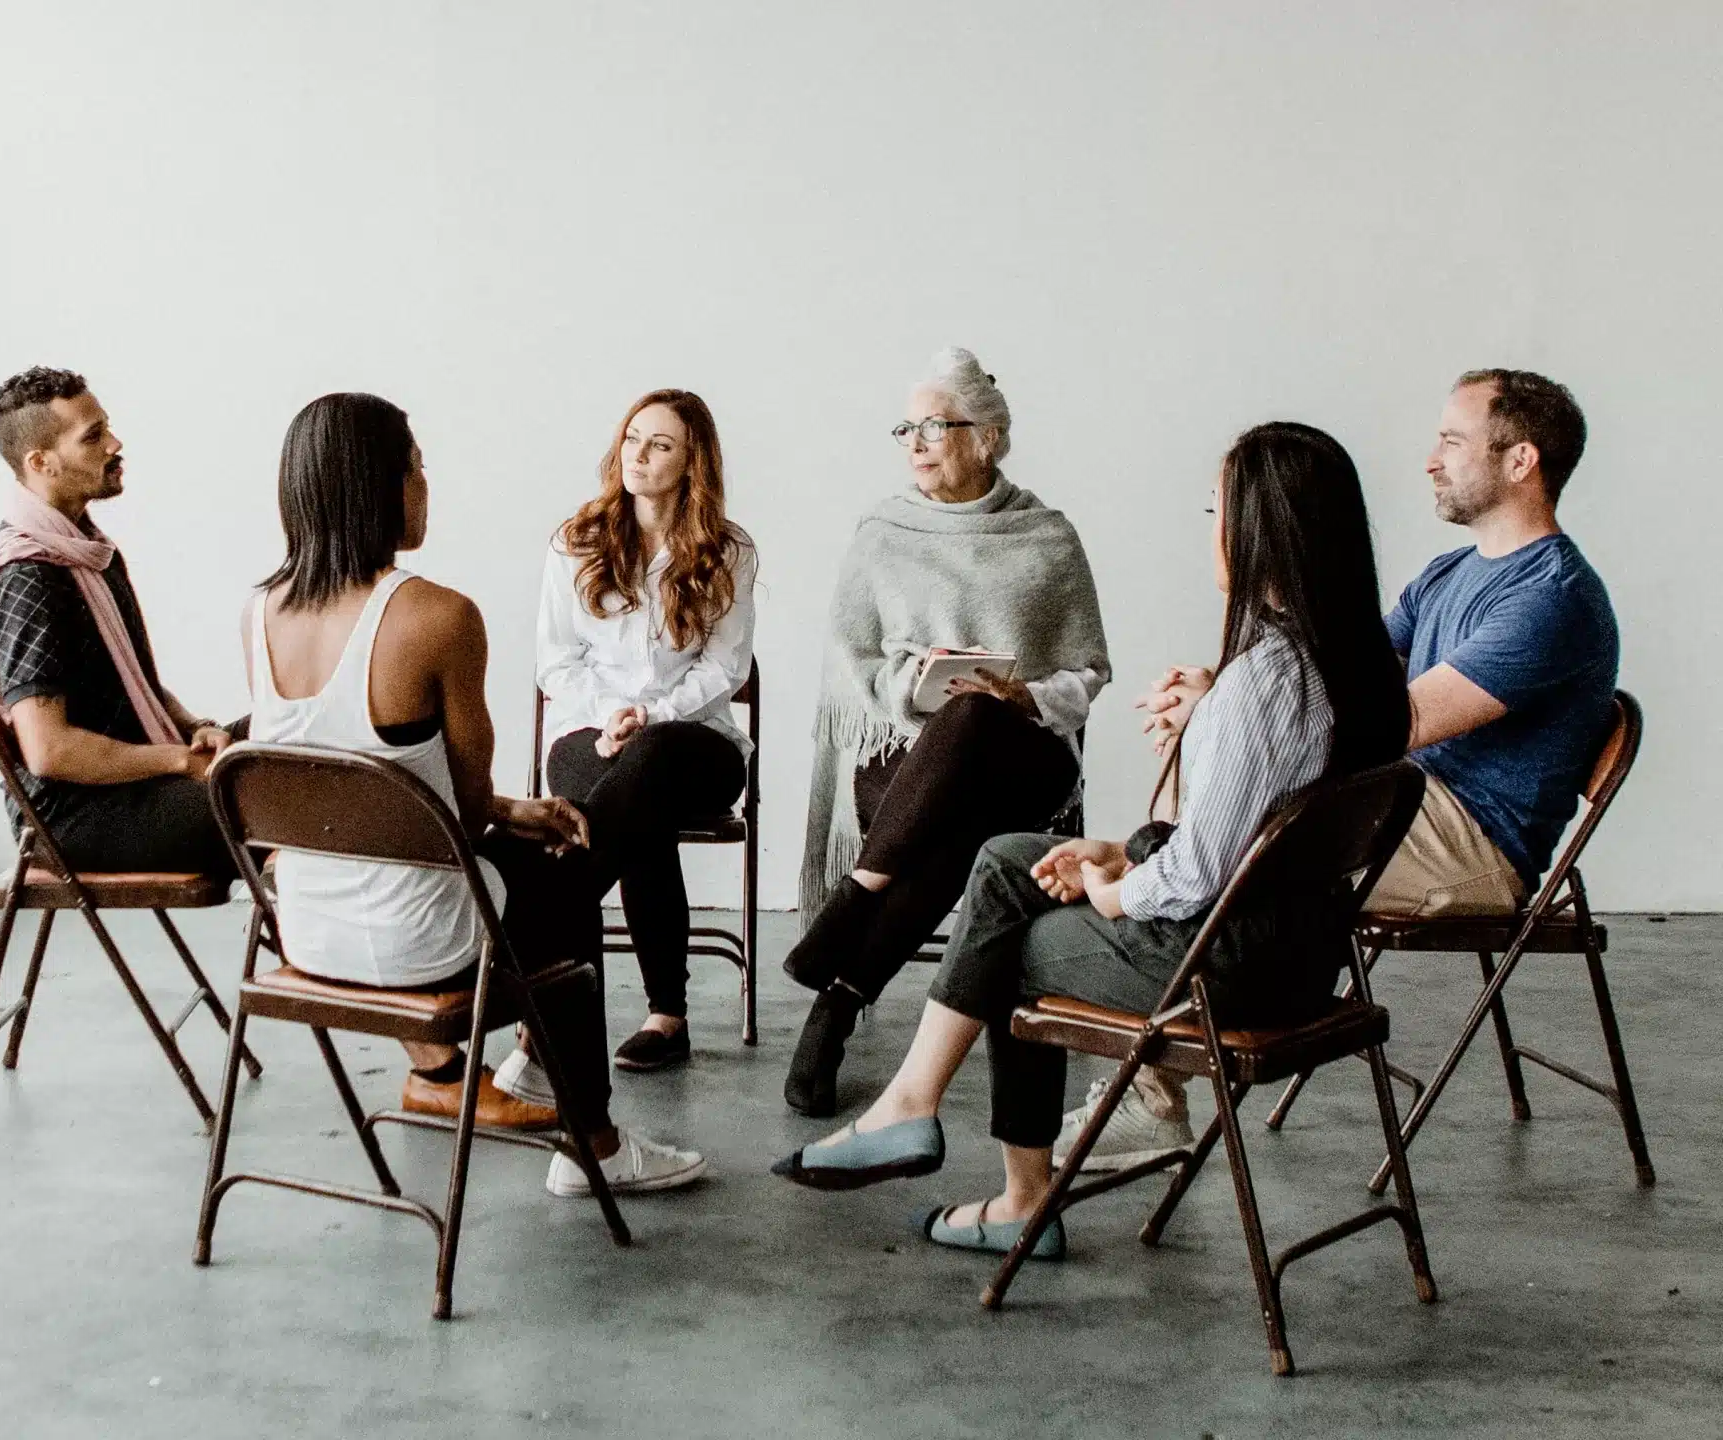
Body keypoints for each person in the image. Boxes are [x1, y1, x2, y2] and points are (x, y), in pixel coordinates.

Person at [771, 421, 1410, 1262]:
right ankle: (913, 1110)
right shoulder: (1352, 668)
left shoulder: (1261, 682)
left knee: (1009, 942)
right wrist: (1120, 850)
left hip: (1228, 969)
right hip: (1296, 951)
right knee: (1006, 858)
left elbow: (1199, 877)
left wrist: (1117, 889)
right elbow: (1245, 841)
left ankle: (1004, 1188)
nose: (1210, 527)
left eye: (1219, 508)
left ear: (1265, 527)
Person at [1073, 369, 1620, 1168]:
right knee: (1209, 820)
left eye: (1452, 442)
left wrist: (1226, 712)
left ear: (1520, 461)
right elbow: (1336, 672)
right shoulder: (1447, 573)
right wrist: (1223, 699)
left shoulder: (1552, 598)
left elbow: (1390, 723)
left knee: (1224, 844)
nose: (1431, 460)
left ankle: (1158, 1083)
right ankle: (1167, 1065)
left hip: (1468, 845)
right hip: (1402, 801)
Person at [243, 392, 706, 1196]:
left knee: (537, 849)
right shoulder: (439, 617)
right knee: (565, 872)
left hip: (305, 933)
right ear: (380, 486)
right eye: (417, 467)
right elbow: (460, 805)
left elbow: (349, 774)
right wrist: (502, 812)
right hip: (422, 941)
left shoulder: (259, 612)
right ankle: (592, 1141)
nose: (427, 485)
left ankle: (493, 1074)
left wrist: (506, 810)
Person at [779, 349, 1111, 1117]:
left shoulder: (1047, 536)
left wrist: (1018, 695)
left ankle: (851, 916)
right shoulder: (883, 532)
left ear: (987, 437)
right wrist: (910, 682)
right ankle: (840, 997)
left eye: (936, 425)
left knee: (975, 717)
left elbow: (1089, 673)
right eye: (908, 428)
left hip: (1026, 755)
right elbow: (849, 662)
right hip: (904, 750)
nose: (917, 442)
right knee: (965, 824)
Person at [536, 389, 759, 1071]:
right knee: (640, 809)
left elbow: (726, 667)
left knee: (651, 766)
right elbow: (555, 663)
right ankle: (667, 1016)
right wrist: (612, 717)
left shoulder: (730, 551)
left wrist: (649, 716)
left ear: (693, 462)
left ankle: (545, 947)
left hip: (696, 743)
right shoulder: (577, 541)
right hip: (591, 736)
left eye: (659, 444)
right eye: (633, 437)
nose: (638, 454)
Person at [0, 367, 237, 884]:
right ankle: (325, 958)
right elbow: (49, 750)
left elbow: (137, 685)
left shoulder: (85, 551)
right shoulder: (29, 578)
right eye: (93, 437)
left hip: (132, 788)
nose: (115, 444)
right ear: (41, 463)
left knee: (291, 745)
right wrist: (178, 761)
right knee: (288, 805)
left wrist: (195, 727)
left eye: (106, 427)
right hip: (77, 816)